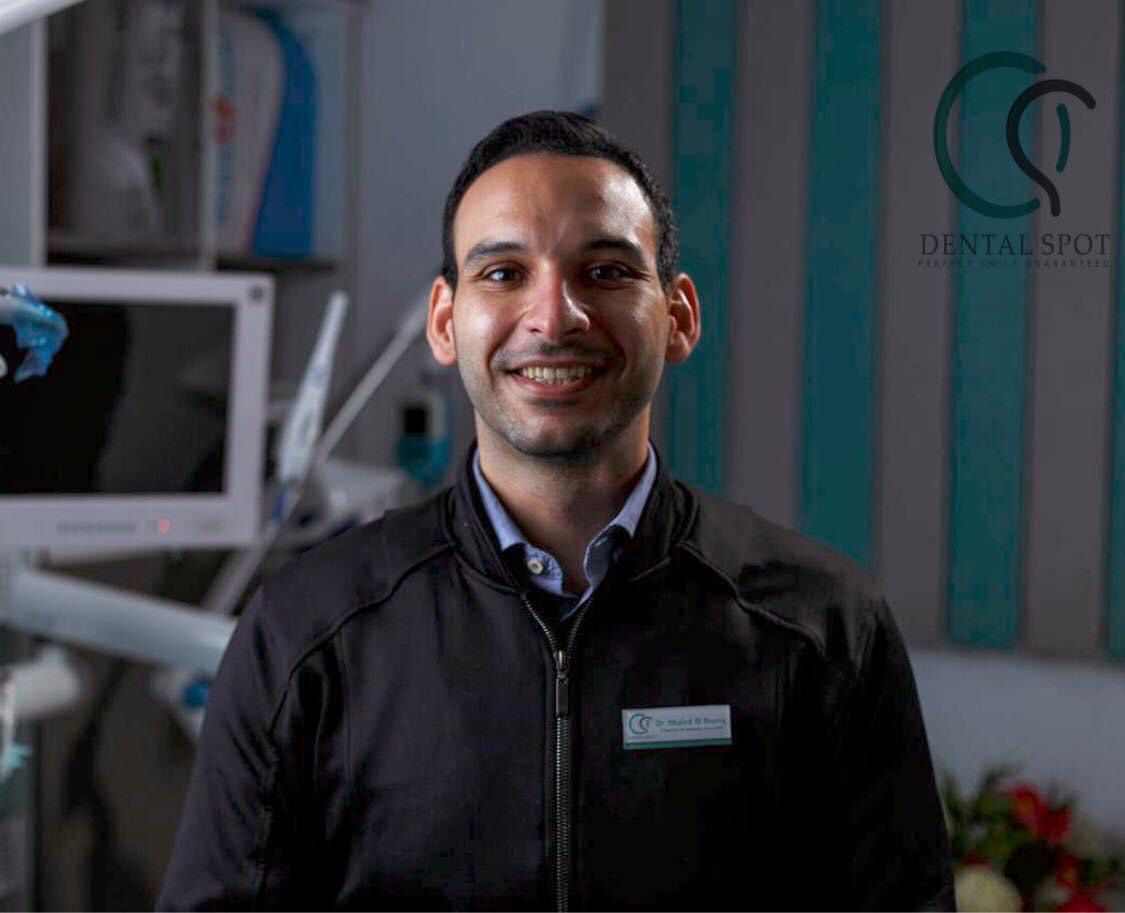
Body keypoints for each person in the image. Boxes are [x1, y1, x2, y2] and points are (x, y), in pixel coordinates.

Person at [158, 110, 955, 911]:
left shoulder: (820, 624)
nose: (554, 316)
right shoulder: (307, 631)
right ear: (444, 322)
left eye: (604, 271)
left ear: (678, 317)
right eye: (504, 273)